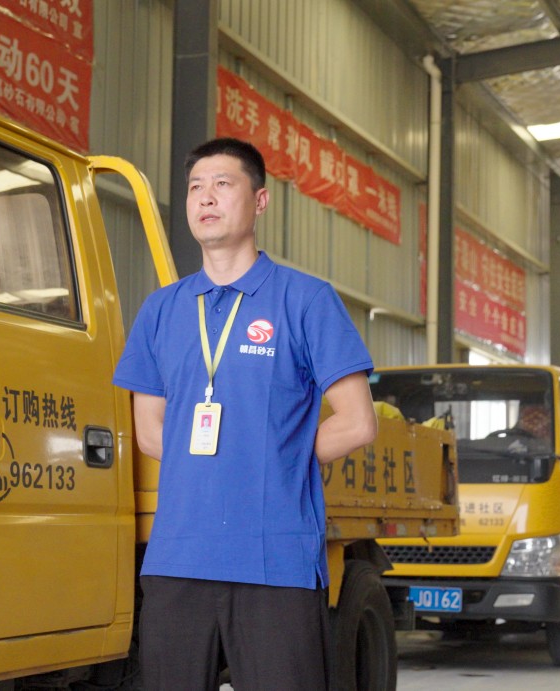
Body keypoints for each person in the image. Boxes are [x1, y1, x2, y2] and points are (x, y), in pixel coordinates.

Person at [113, 137, 377, 690]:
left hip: (273, 561)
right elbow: (150, 432)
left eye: (222, 184)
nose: (205, 198)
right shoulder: (161, 310)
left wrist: (277, 458)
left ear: (259, 201)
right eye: (195, 187)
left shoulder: (305, 300)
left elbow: (357, 422)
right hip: (177, 560)